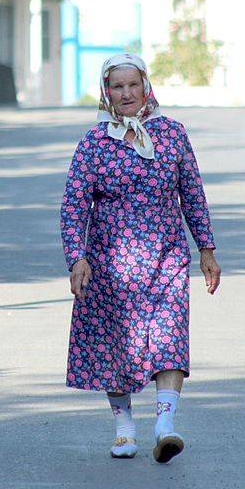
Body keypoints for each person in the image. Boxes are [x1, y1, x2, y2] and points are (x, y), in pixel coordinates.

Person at [60, 53, 221, 464]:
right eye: (118, 86)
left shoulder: (172, 134)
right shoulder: (95, 143)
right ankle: (124, 430)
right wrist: (76, 257)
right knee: (115, 347)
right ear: (106, 93)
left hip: (166, 259)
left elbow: (193, 195)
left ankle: (165, 427)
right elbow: (74, 205)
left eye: (133, 85)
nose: (127, 93)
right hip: (109, 263)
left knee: (169, 337)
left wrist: (206, 249)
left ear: (146, 87)